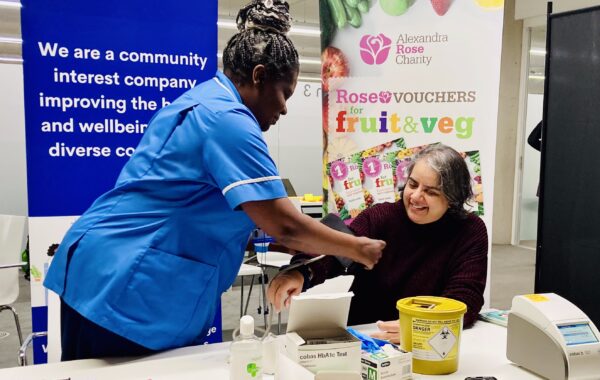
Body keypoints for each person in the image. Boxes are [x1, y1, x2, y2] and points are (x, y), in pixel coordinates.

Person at [44, 0, 384, 361]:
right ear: (258, 76)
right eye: (285, 92)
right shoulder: (227, 120)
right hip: (126, 282)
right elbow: (284, 225)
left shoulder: (205, 101)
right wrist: (357, 248)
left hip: (107, 268)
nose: (284, 108)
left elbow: (191, 200)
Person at [268, 144, 488, 343]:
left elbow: (465, 297)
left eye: (431, 192)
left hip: (430, 341)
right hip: (366, 333)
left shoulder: (470, 231)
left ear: (453, 198)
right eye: (413, 184)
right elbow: (337, 252)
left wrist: (422, 327)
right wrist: (302, 273)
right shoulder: (381, 217)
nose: (415, 196)